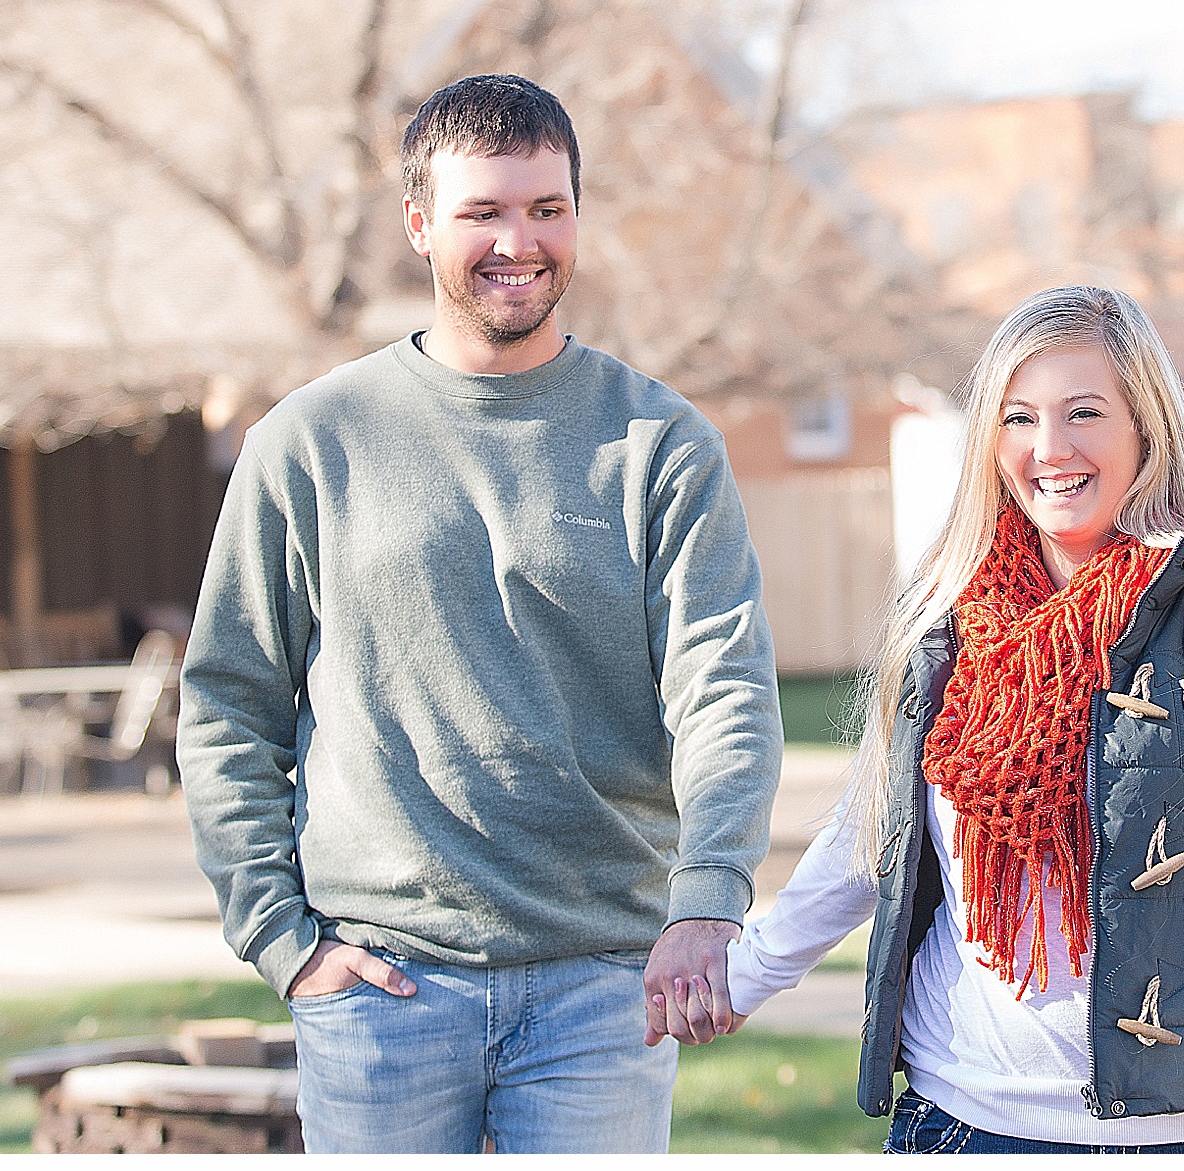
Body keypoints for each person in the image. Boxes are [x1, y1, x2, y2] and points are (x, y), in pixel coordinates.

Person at [178, 73, 783, 1155]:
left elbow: (724, 687)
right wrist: (281, 938)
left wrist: (709, 894)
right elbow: (228, 701)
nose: (521, 241)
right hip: (377, 986)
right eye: (484, 212)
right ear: (419, 224)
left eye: (548, 209)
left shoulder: (660, 444)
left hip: (601, 985)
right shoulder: (311, 443)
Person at [660, 285, 1184, 1153]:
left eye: (1084, 412)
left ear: (1149, 425)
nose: (1049, 448)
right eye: (1018, 418)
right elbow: (873, 831)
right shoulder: (948, 613)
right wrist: (741, 974)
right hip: (960, 1122)